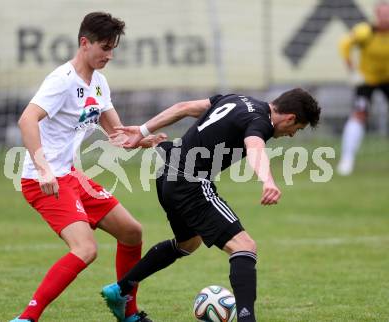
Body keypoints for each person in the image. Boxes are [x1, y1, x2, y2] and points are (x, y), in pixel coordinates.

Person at [101, 88, 321, 322]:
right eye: (296, 129)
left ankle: (120, 289)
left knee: (188, 243)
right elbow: (255, 146)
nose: (292, 135)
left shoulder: (237, 99)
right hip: (190, 183)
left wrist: (143, 130)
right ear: (290, 118)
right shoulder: (260, 121)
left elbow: (182, 108)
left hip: (167, 175)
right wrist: (267, 180)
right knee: (244, 247)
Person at [10, 12, 164, 322]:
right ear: (84, 43)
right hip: (42, 180)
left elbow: (115, 133)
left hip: (70, 175)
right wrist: (43, 168)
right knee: (85, 249)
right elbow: (27, 119)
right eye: (105, 48)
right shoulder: (61, 81)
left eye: (113, 49)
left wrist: (141, 139)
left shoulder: (98, 82)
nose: (109, 55)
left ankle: (126, 308)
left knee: (132, 232)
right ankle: (27, 318)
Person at [337, 1, 389, 176]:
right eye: (382, 14)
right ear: (376, 15)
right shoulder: (364, 32)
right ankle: (347, 159)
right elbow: (344, 44)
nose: (385, 18)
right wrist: (351, 68)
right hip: (367, 79)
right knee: (360, 114)